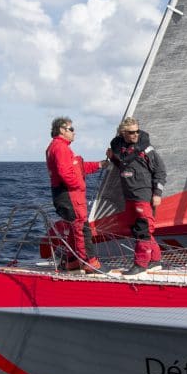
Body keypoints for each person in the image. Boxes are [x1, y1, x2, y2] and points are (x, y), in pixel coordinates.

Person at [107, 116, 167, 276]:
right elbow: (124, 165)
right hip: (129, 196)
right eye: (131, 132)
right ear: (123, 133)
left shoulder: (147, 149)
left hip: (143, 195)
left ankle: (140, 264)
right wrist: (113, 157)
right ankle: (155, 260)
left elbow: (160, 171)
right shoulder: (122, 150)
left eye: (137, 131)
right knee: (137, 229)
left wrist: (157, 194)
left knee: (143, 230)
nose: (135, 135)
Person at [46, 116, 107, 273]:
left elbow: (77, 168)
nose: (74, 132)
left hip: (65, 194)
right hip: (70, 195)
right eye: (71, 129)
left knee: (74, 228)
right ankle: (88, 262)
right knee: (81, 228)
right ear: (62, 130)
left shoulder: (59, 147)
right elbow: (66, 173)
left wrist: (100, 165)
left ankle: (72, 261)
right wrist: (80, 185)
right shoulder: (60, 148)